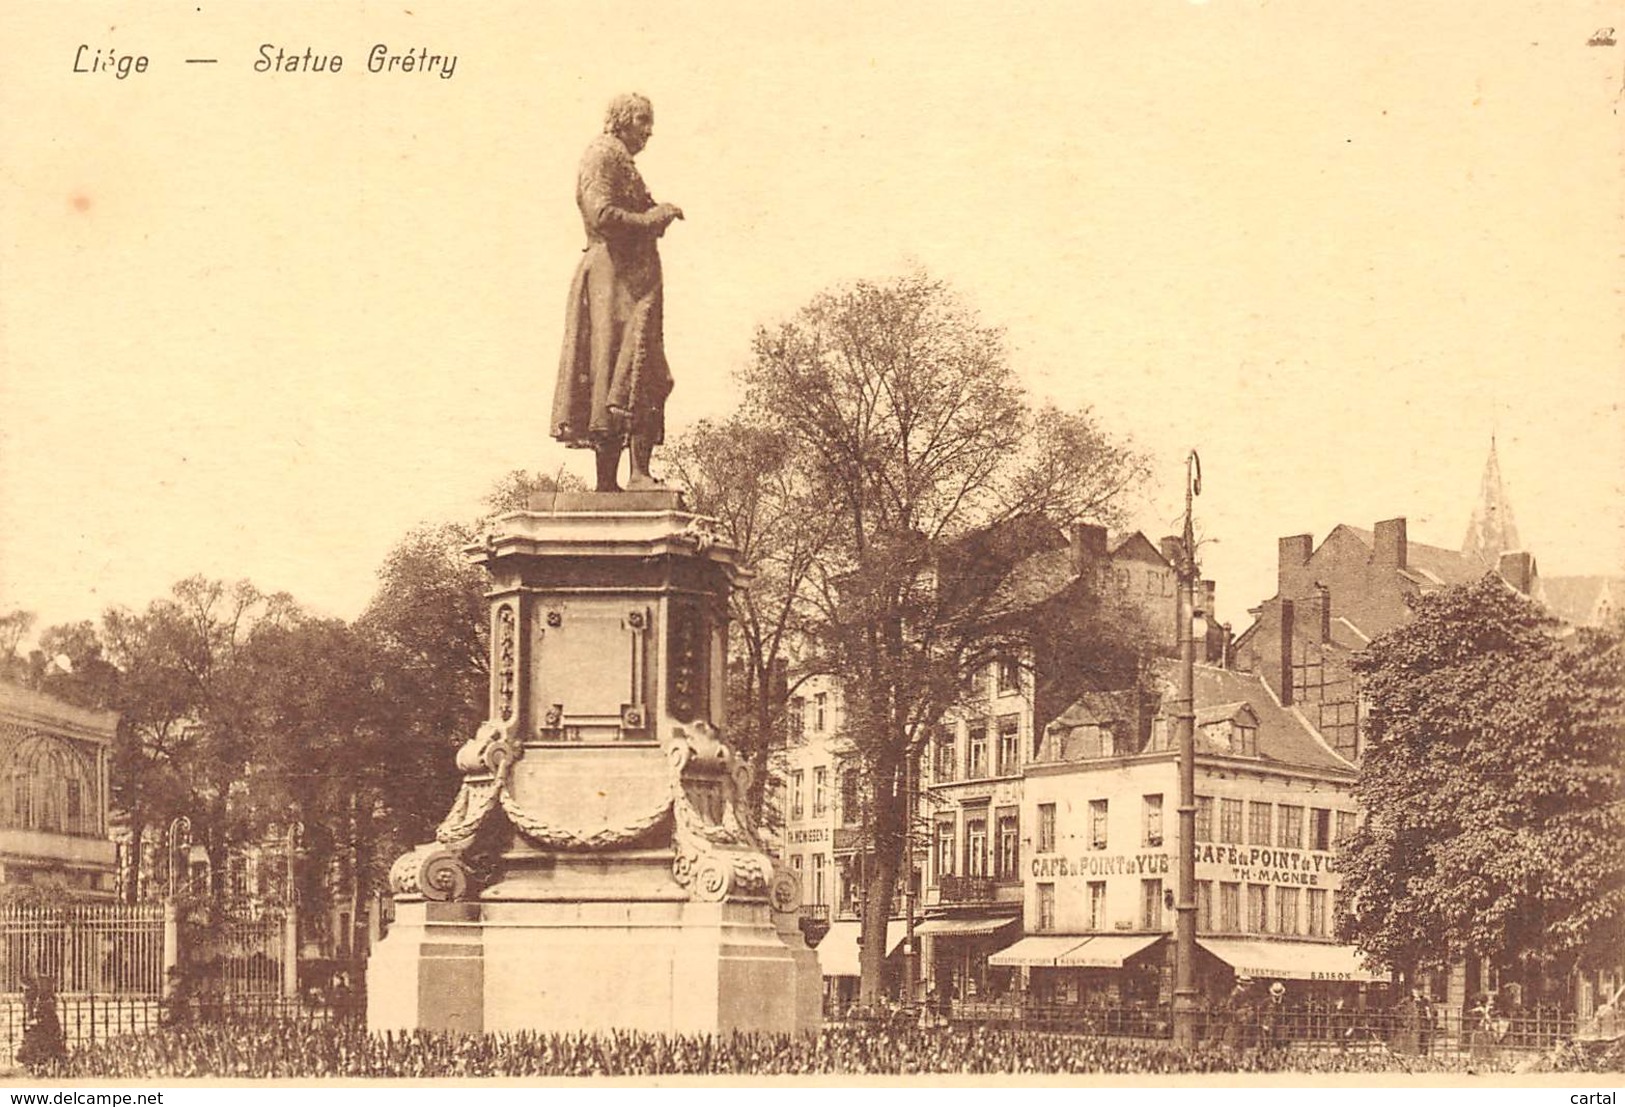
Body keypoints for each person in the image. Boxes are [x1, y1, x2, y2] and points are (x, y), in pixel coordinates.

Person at [552, 93, 685, 492]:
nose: (649, 130)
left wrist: (655, 215)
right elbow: (602, 214)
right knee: (612, 370)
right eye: (643, 120)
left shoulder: (619, 159)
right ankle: (619, 479)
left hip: (633, 279)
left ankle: (634, 475)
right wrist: (652, 217)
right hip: (614, 279)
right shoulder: (602, 155)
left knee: (642, 373)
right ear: (621, 120)